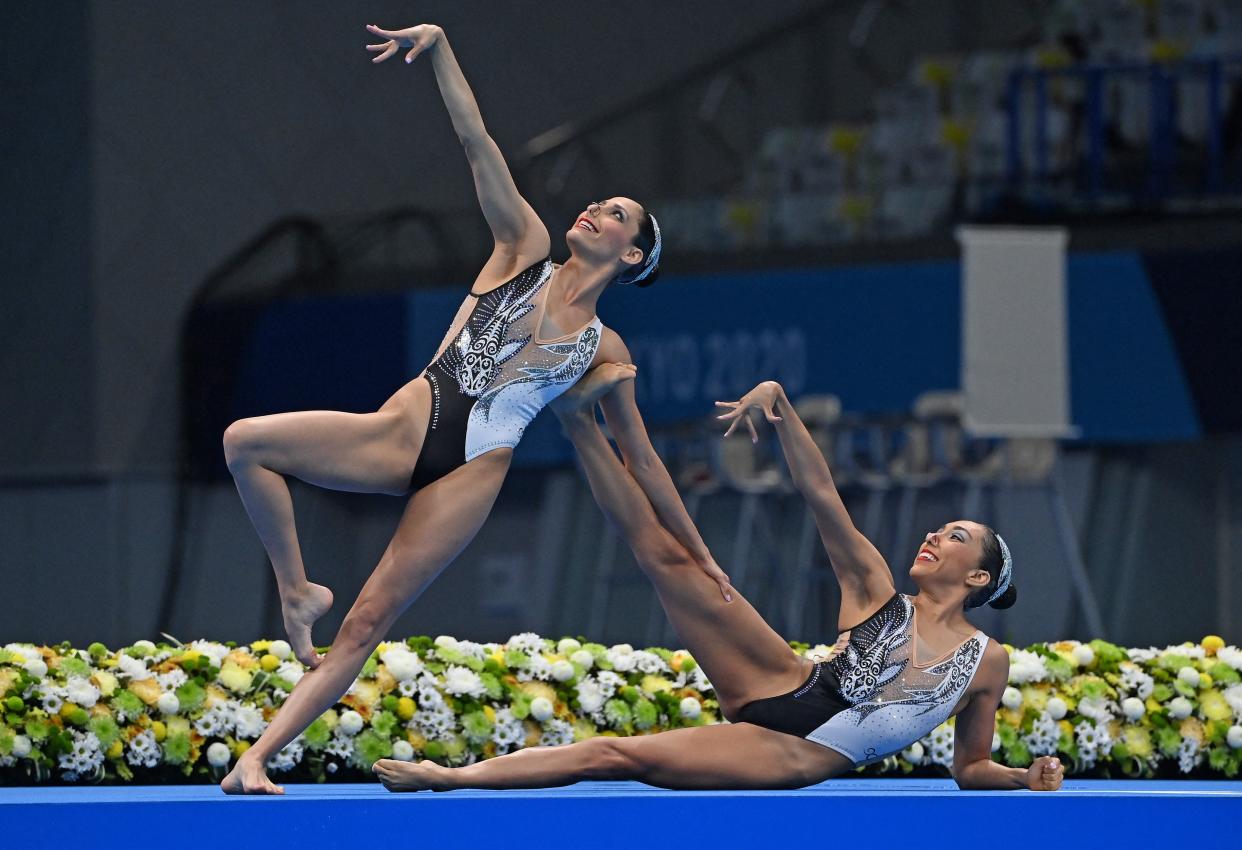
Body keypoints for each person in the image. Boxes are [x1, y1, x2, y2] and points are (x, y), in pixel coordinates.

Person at [219, 23, 728, 795]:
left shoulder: (604, 348)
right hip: (403, 427)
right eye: (597, 202)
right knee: (244, 442)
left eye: (615, 214)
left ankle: (255, 759)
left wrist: (701, 551)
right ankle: (296, 589)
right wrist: (440, 46)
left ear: (630, 256)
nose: (595, 209)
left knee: (366, 623)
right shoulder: (521, 245)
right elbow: (474, 137)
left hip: (472, 474)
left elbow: (645, 462)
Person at [371, 371, 1064, 792]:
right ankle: (576, 417)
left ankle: (452, 779)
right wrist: (782, 407)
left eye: (956, 537)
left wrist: (1021, 779)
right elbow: (822, 493)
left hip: (794, 752)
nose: (935, 535)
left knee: (618, 756)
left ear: (978, 575)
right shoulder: (877, 588)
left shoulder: (986, 662)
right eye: (940, 528)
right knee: (668, 558)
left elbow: (970, 768)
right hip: (783, 680)